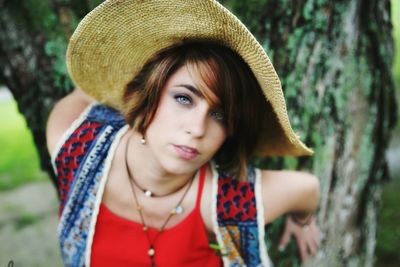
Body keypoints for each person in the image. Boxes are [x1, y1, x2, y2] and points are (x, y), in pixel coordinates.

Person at [46, 0, 320, 266]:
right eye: (184, 99)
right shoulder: (74, 143)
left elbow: (308, 189)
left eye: (219, 115)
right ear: (143, 94)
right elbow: (83, 94)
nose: (197, 129)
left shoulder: (226, 200)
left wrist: (302, 222)